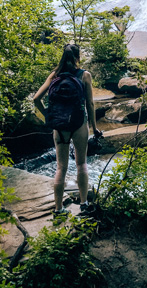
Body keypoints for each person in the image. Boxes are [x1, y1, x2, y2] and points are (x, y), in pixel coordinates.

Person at [33, 43, 102, 216]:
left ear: (62, 57)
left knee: (60, 168)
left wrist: (48, 116)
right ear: (78, 58)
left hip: (59, 125)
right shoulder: (85, 75)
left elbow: (36, 99)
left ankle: (58, 209)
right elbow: (90, 104)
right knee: (81, 164)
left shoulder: (54, 75)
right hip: (79, 123)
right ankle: (84, 204)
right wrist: (94, 127)